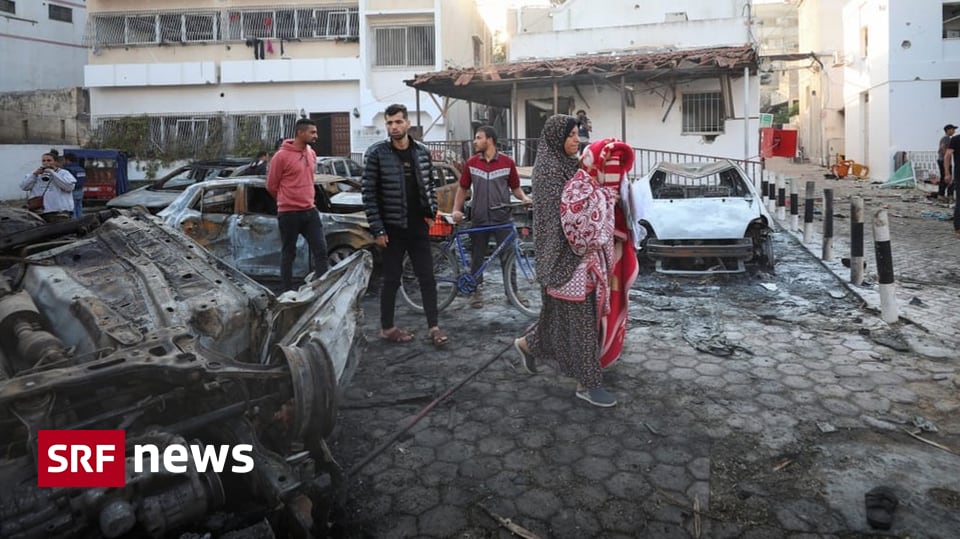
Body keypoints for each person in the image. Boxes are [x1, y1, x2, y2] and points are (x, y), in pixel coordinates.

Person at [512, 114, 619, 408]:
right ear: (557, 137)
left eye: (578, 134)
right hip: (561, 257)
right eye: (571, 134)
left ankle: (527, 345)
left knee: (556, 318)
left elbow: (586, 198)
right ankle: (588, 382)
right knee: (581, 320)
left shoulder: (571, 166)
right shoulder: (548, 171)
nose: (577, 139)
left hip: (576, 254)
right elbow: (567, 214)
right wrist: (601, 201)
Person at [361, 103, 449, 346]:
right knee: (391, 278)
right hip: (391, 229)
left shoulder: (421, 151)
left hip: (418, 226)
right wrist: (377, 229)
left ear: (408, 123)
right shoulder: (377, 153)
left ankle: (434, 327)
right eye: (389, 123)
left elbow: (429, 184)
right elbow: (368, 194)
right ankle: (387, 328)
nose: (394, 127)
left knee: (427, 277)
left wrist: (431, 210)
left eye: (398, 121)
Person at [451, 126, 532, 308]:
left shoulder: (507, 162)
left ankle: (512, 292)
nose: (475, 141)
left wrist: (525, 198)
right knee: (477, 256)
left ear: (490, 140)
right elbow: (462, 188)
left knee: (508, 256)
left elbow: (515, 188)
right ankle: (475, 292)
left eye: (478, 138)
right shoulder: (471, 163)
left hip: (502, 218)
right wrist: (456, 209)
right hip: (479, 218)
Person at [266, 118, 329, 291]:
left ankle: (323, 289)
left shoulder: (311, 153)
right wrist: (286, 200)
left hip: (310, 210)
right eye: (312, 132)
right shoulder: (281, 156)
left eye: (316, 132)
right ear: (300, 133)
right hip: (289, 213)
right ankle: (287, 292)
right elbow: (271, 185)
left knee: (321, 251)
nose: (316, 135)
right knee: (289, 253)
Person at [20, 149, 76, 223]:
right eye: (44, 161)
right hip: (39, 212)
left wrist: (53, 173)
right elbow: (24, 187)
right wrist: (34, 175)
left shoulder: (64, 173)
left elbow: (69, 187)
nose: (46, 163)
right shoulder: (36, 173)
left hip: (58, 213)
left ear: (55, 162)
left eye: (49, 160)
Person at [943, 127, 960, 239]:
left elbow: (947, 156)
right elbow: (947, 156)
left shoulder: (955, 139)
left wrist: (948, 173)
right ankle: (958, 228)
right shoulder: (956, 139)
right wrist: (947, 172)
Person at [932, 124, 956, 200]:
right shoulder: (946, 138)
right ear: (948, 130)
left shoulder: (948, 138)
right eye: (952, 129)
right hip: (943, 161)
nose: (954, 131)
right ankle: (941, 195)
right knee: (946, 178)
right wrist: (947, 157)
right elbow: (943, 147)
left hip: (944, 160)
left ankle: (949, 194)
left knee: (948, 178)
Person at [62, 153, 86, 219]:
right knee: (79, 208)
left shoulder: (68, 170)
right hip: (80, 191)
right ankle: (81, 223)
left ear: (67, 160)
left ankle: (75, 225)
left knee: (72, 210)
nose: (63, 161)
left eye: (63, 159)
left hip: (71, 192)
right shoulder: (81, 169)